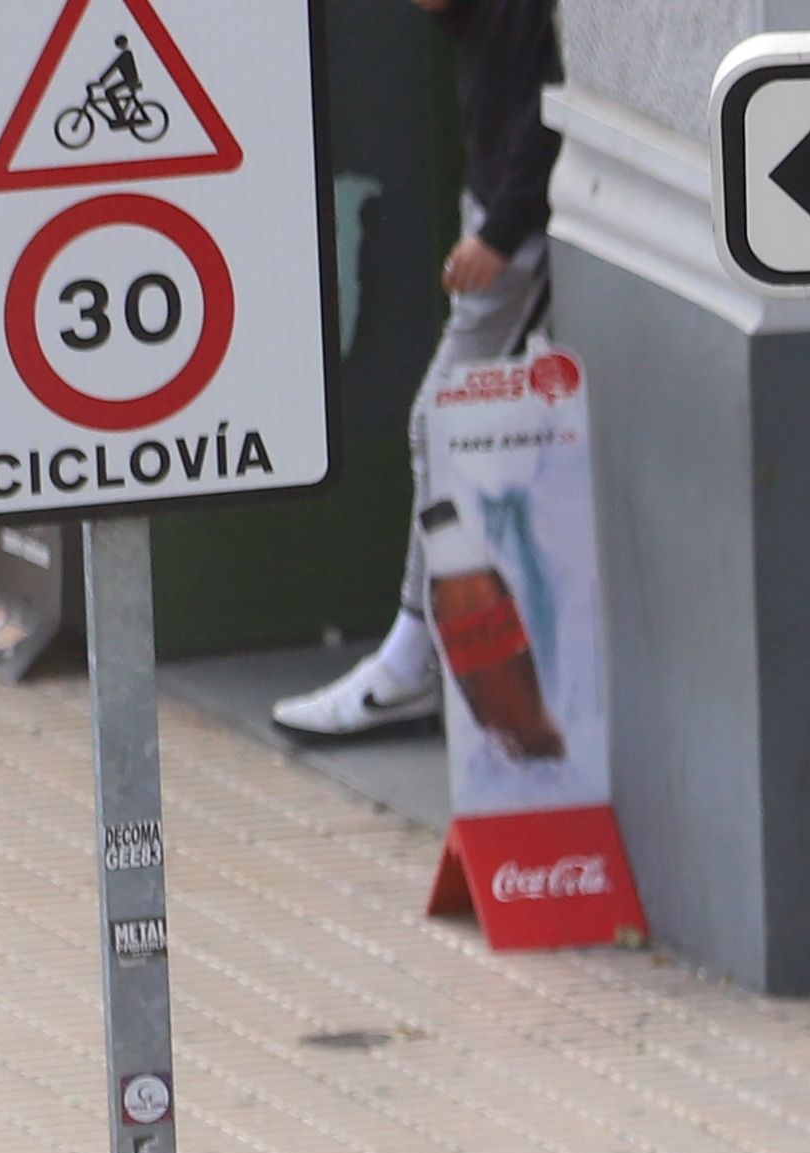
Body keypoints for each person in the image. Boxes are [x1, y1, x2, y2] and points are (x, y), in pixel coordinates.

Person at [275, 0, 562, 743]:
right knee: (475, 438)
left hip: (519, 237)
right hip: (502, 219)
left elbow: (552, 109)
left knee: (443, 427)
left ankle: (415, 661)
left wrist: (499, 232)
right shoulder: (475, 21)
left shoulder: (523, 17)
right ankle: (444, 659)